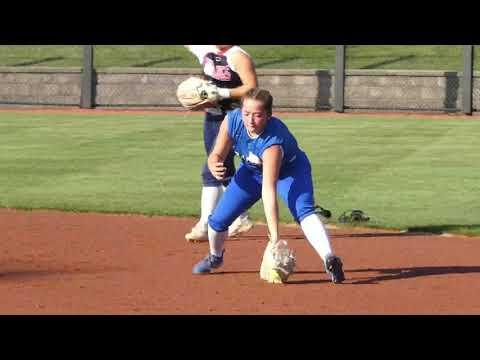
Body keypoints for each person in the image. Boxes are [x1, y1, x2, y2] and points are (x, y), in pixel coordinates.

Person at [192, 88, 345, 284]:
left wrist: (274, 237)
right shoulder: (232, 120)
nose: (250, 120)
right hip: (252, 172)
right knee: (217, 221)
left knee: (303, 210)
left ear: (269, 115)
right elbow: (217, 154)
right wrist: (213, 163)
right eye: (246, 113)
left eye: (258, 115)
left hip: (289, 171)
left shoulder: (272, 143)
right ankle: (215, 257)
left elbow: (268, 190)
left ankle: (329, 258)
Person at [184, 45, 258, 242]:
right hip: (213, 116)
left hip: (233, 116)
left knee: (215, 167)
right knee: (217, 167)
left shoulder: (238, 56)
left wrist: (220, 93)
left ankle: (207, 224)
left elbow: (250, 87)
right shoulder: (205, 50)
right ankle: (232, 218)